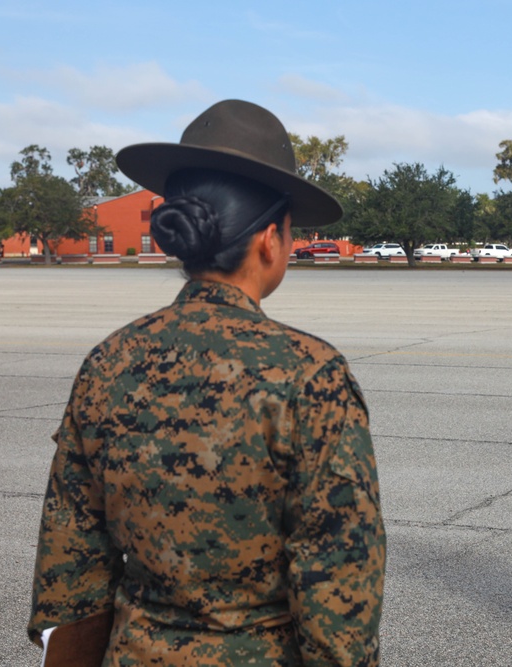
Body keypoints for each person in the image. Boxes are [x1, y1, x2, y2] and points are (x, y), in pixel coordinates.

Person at [27, 100, 386, 666]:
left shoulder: (110, 362)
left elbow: (72, 568)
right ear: (271, 239)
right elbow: (338, 592)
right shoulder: (309, 375)